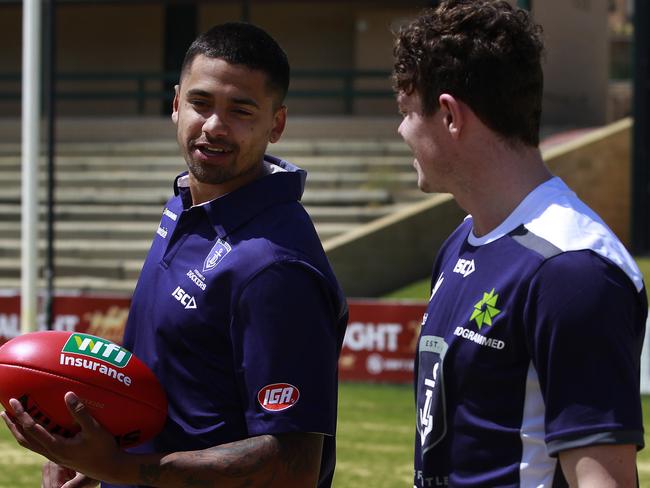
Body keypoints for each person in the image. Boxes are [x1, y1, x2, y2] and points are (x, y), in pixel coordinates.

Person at [1, 22, 348, 488]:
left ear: (276, 124)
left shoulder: (275, 265)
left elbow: (293, 465)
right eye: (200, 103)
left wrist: (121, 468)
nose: (214, 126)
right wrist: (91, 448)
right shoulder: (187, 204)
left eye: (241, 111)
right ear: (175, 104)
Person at [392, 1, 647, 486]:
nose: (401, 130)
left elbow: (603, 480)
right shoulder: (460, 243)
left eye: (406, 112)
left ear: (448, 115)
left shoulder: (572, 270)